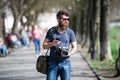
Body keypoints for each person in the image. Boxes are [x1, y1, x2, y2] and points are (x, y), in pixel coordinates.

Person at [43, 10, 77, 80]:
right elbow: (44, 45)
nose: (66, 21)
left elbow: (75, 47)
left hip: (66, 63)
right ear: (58, 19)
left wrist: (69, 53)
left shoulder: (70, 32)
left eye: (68, 19)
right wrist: (52, 44)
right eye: (64, 19)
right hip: (53, 63)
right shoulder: (51, 31)